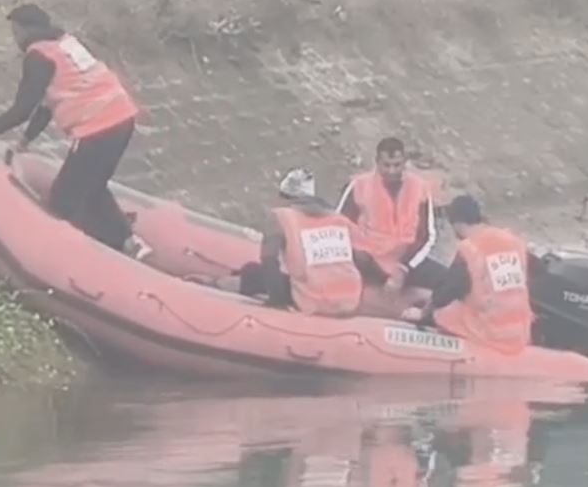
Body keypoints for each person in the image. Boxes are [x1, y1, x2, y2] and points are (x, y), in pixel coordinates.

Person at [0, 4, 150, 258]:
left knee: (63, 199)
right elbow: (49, 103)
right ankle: (128, 242)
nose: (15, 38)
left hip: (97, 127)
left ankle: (80, 255)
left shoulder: (38, 56)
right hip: (122, 118)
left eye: (15, 32)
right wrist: (26, 140)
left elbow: (24, 108)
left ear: (25, 30)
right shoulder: (66, 45)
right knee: (93, 187)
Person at [209, 169, 378, 317]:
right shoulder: (339, 220)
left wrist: (277, 302)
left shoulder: (280, 218)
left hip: (314, 298)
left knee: (251, 273)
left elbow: (269, 262)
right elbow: (365, 258)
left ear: (285, 197)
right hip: (349, 299)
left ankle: (211, 287)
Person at [404, 195, 532, 354]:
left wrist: (423, 313)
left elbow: (445, 293)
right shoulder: (513, 241)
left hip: (491, 332)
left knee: (443, 314)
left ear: (456, 223)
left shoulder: (470, 249)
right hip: (519, 331)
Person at [336, 137, 439, 290]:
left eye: (397, 165)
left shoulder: (420, 187)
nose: (392, 171)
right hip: (368, 260)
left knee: (447, 281)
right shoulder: (359, 185)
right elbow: (339, 226)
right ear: (377, 162)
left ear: (405, 162)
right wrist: (356, 254)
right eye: (386, 165)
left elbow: (426, 236)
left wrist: (403, 268)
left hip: (405, 259)